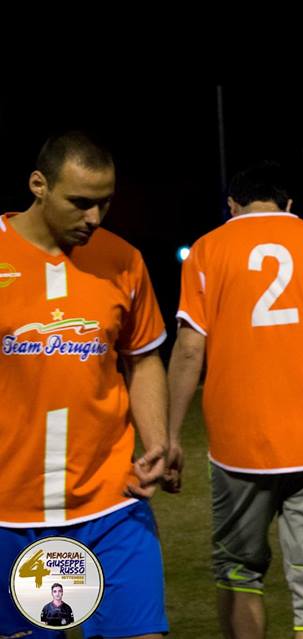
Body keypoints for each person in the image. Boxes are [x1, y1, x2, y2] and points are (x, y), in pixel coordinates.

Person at [165, 162, 303, 638]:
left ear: (231, 206)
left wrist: (170, 435)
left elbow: (187, 349)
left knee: (238, 573)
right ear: (289, 205)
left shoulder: (206, 249)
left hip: (237, 447)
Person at [0, 131, 169, 638]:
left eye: (104, 202)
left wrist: (158, 440)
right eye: (80, 202)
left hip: (110, 503)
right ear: (38, 186)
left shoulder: (124, 260)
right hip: (9, 513)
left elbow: (143, 360)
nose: (94, 218)